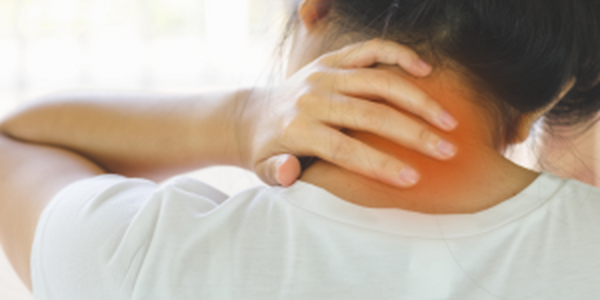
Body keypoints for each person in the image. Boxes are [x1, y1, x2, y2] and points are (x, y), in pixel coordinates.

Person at [1, 0, 599, 299]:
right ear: (536, 106)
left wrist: (242, 120)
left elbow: (13, 139)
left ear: (315, 8)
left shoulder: (148, 254)